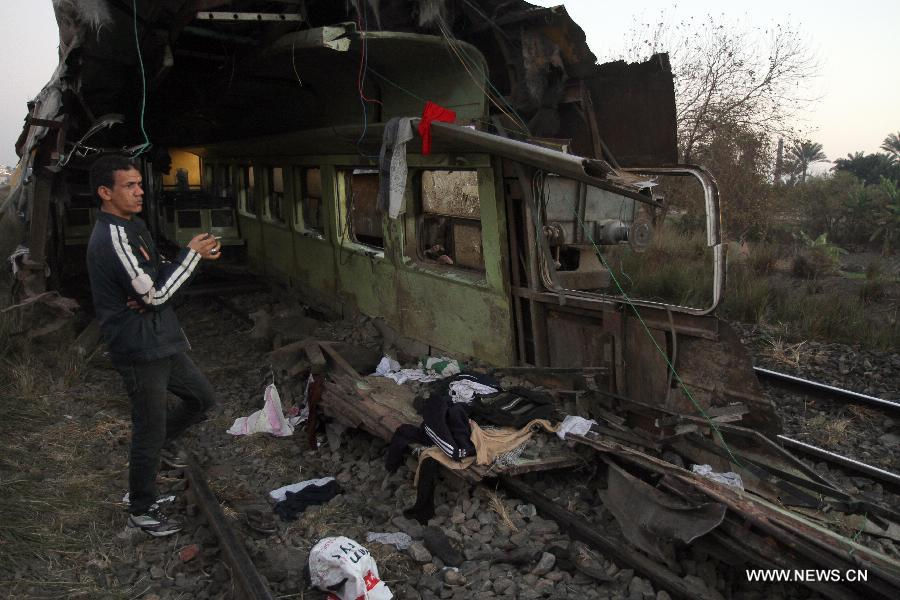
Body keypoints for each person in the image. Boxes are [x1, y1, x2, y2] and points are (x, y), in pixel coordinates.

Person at [86, 155, 222, 537]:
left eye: (139, 184)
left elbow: (158, 274)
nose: (140, 190)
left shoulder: (135, 226)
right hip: (138, 348)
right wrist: (191, 257)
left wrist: (171, 272)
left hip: (160, 340)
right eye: (129, 186)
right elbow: (159, 294)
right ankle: (141, 511)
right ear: (105, 193)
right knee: (148, 426)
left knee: (201, 398)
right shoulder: (112, 238)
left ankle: (155, 455)